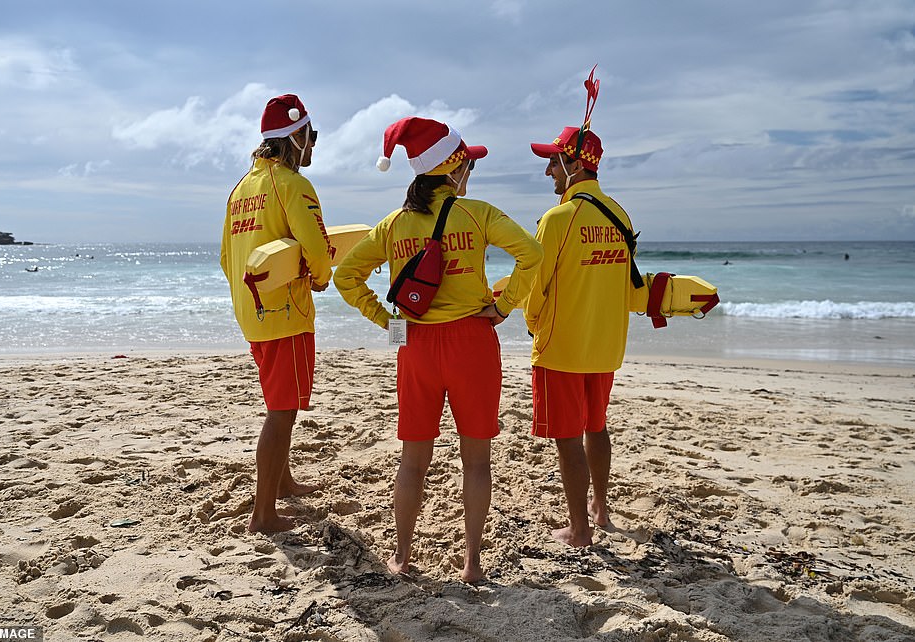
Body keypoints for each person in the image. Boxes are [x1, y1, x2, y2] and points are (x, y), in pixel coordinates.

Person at [333, 117, 542, 582]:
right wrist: (505, 305)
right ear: (452, 169)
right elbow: (533, 254)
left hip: (416, 345)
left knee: (412, 461)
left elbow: (346, 276)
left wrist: (386, 320)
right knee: (477, 461)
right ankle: (472, 564)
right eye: (468, 164)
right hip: (473, 342)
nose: (471, 173)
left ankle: (402, 558)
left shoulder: (393, 225)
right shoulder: (479, 213)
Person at [525, 67, 638, 547]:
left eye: (553, 162)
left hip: (564, 346)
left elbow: (538, 285)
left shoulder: (557, 218)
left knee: (568, 438)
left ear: (574, 165)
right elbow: (628, 286)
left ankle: (579, 529)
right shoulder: (620, 215)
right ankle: (602, 509)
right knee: (597, 427)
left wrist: (532, 325)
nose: (548, 170)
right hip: (606, 346)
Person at [220, 94, 332, 534]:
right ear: (296, 136)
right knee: (283, 409)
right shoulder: (293, 185)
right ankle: (263, 514)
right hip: (286, 312)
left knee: (277, 400)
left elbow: (227, 257)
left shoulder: (240, 189)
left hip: (253, 312)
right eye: (313, 136)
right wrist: (320, 278)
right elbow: (317, 248)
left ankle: (282, 483)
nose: (314, 147)